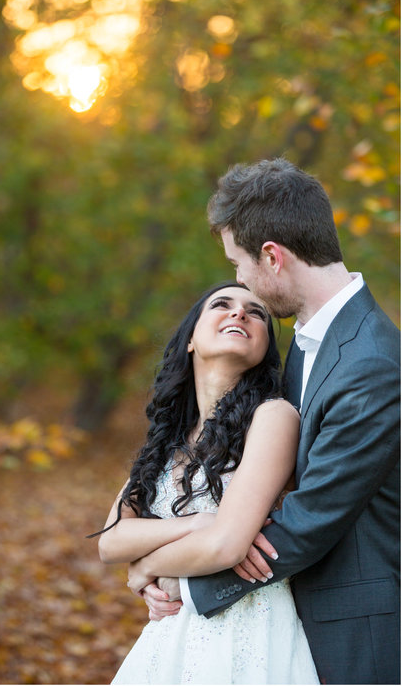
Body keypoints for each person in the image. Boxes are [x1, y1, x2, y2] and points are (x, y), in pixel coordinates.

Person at [137, 158, 400, 684]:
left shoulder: (372, 363)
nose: (239, 280)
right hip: (288, 616)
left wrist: (176, 578)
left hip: (355, 632)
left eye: (240, 264)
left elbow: (309, 519)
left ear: (272, 257)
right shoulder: (306, 344)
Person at [94, 282, 319, 682]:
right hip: (171, 637)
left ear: (265, 349)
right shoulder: (168, 439)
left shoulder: (273, 416)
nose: (239, 314)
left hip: (248, 630)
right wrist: (196, 524)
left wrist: (145, 567)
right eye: (222, 304)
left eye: (256, 312)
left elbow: (226, 546)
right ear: (191, 341)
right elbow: (110, 542)